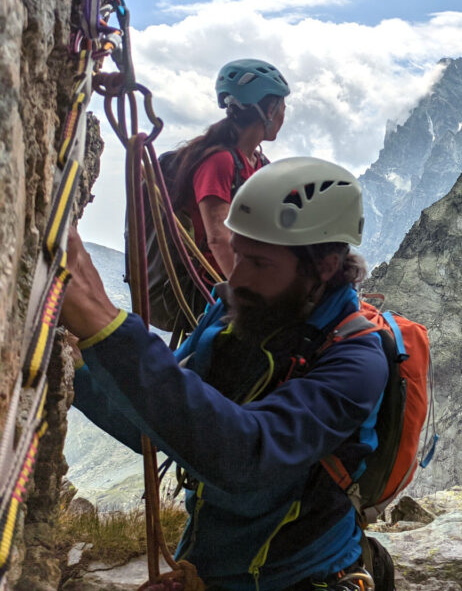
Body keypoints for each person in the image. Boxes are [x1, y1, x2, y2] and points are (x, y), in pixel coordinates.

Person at [62, 157, 391, 591]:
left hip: (301, 578)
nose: (235, 278)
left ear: (325, 266)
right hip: (212, 564)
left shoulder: (357, 361)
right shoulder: (235, 314)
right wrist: (83, 367)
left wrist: (108, 327)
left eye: (259, 262)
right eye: (237, 254)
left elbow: (248, 457)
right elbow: (155, 426)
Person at [171, 58, 290, 278]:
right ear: (271, 110)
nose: (284, 115)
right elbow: (218, 239)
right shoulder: (219, 162)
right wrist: (248, 293)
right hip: (212, 285)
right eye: (283, 107)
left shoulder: (259, 165)